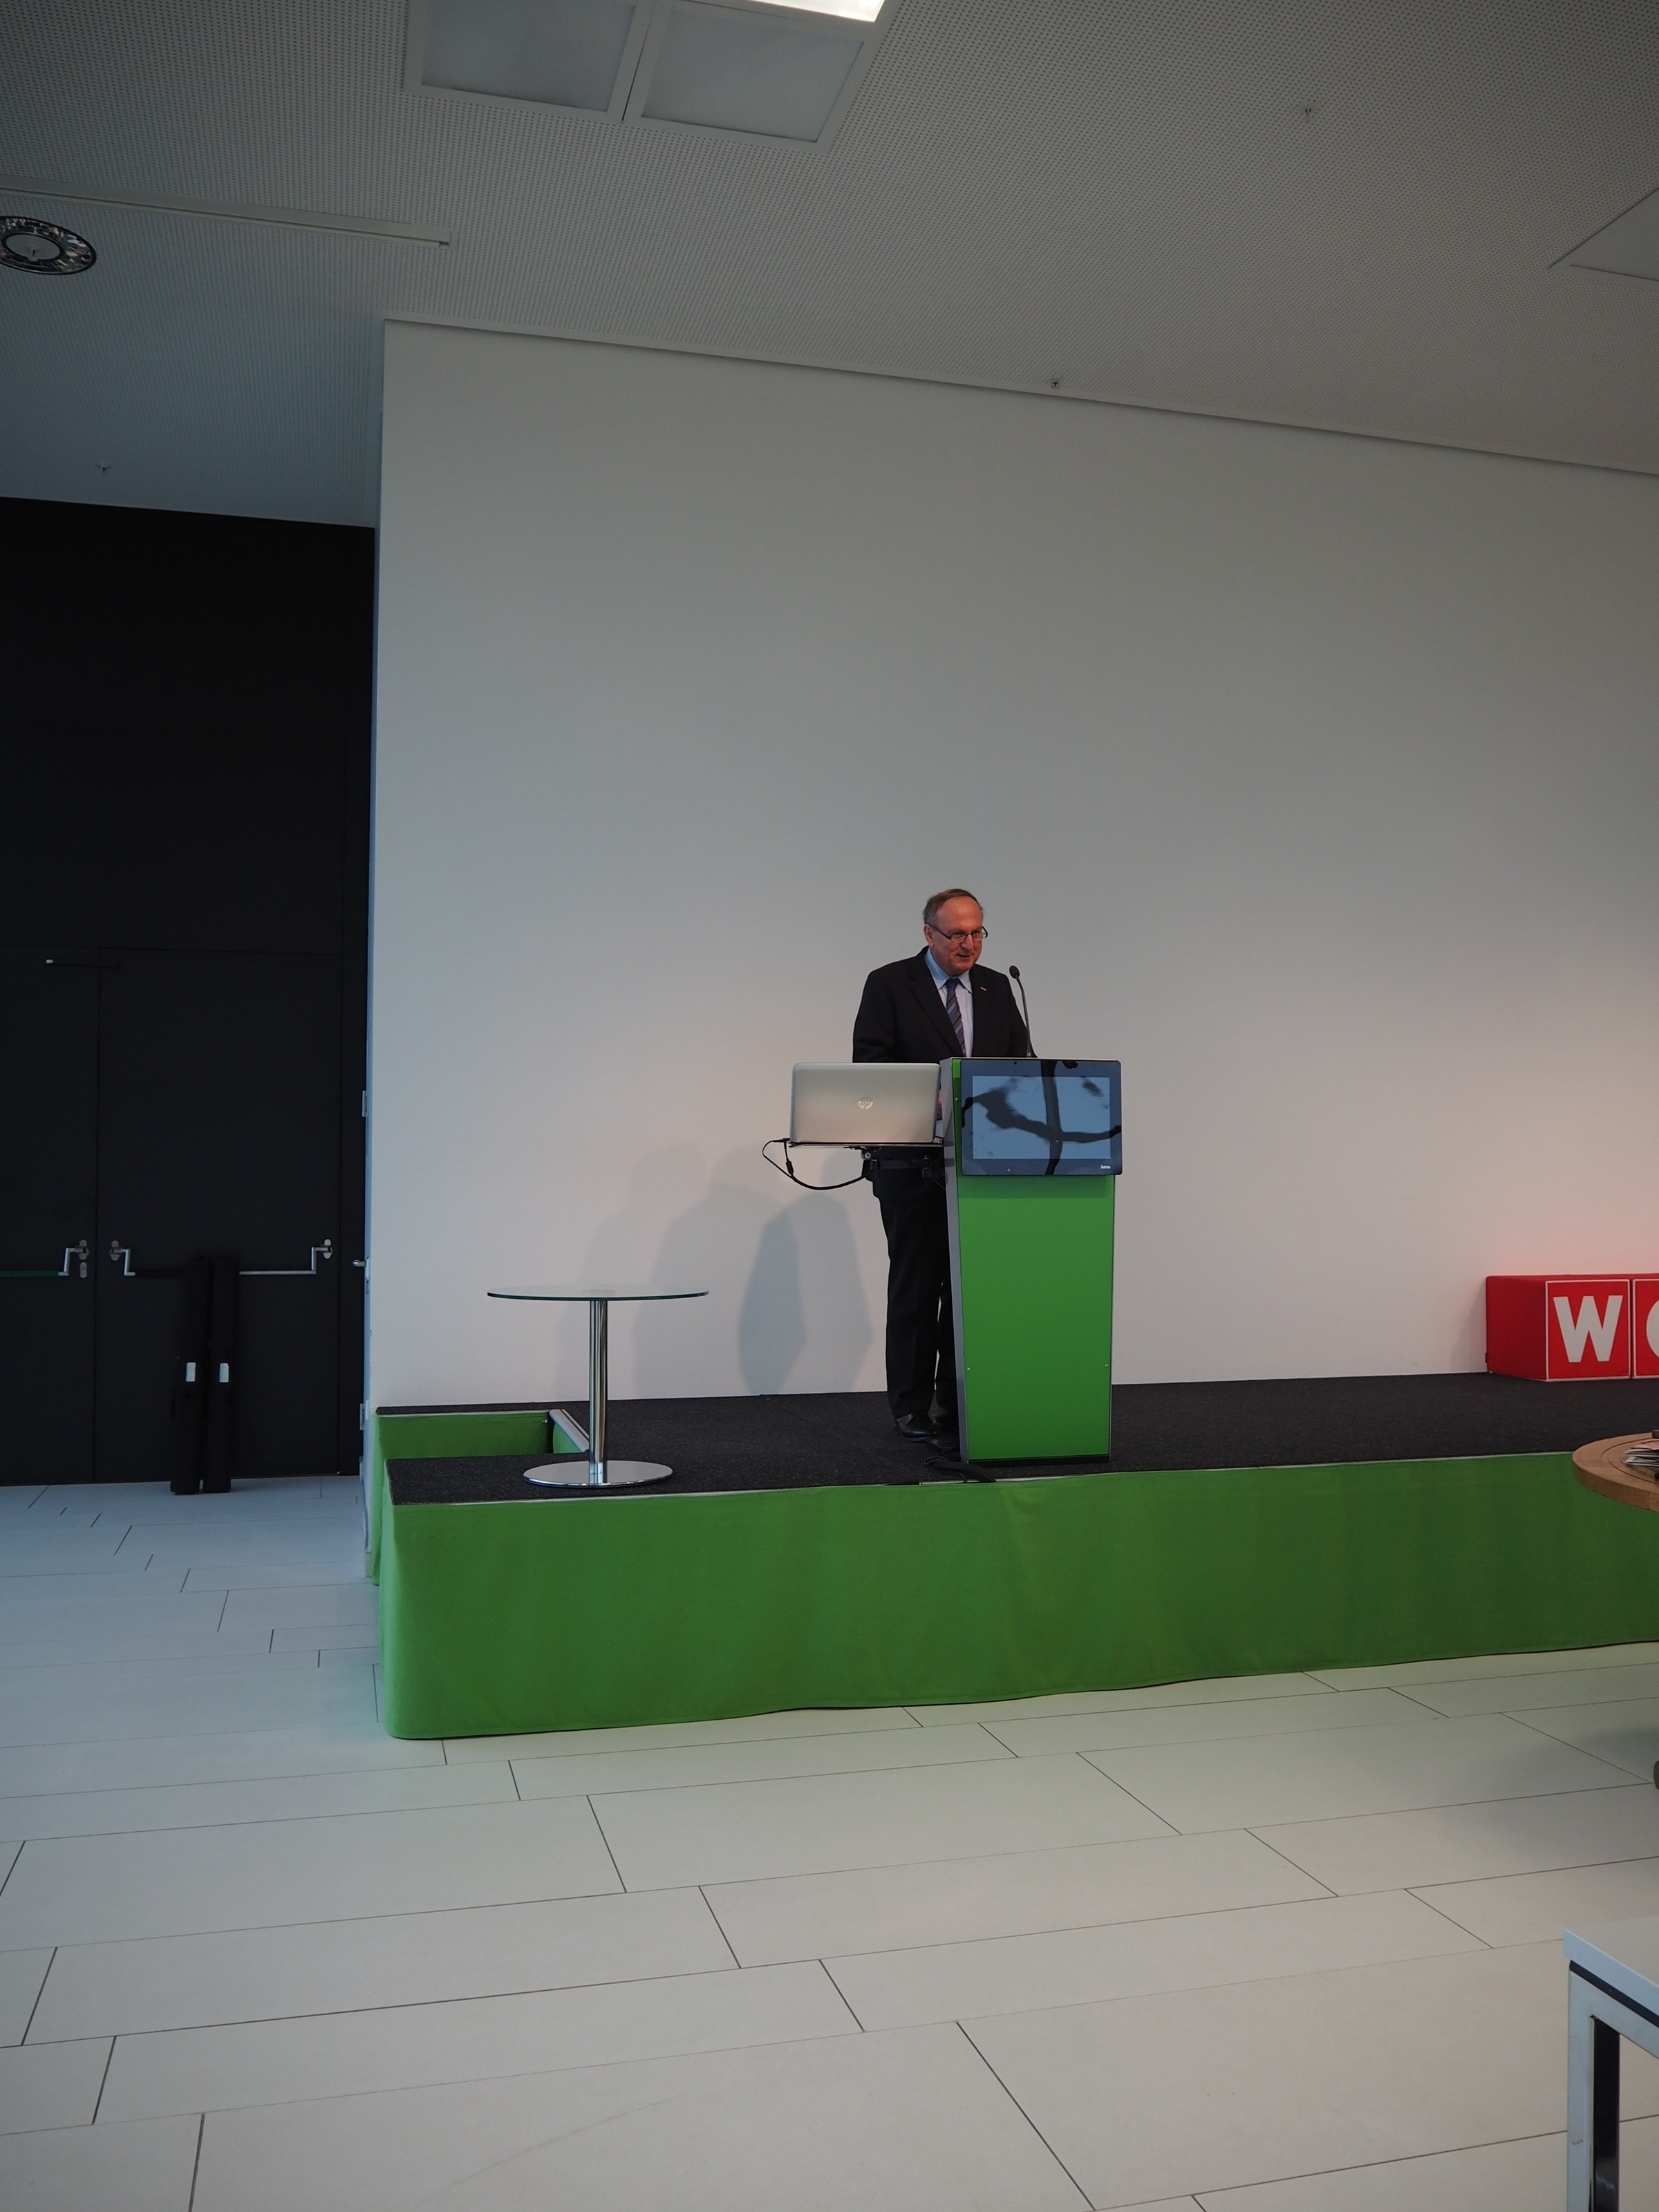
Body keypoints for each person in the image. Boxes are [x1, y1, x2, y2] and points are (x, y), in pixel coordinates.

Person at [852, 889, 1031, 1443]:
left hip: (981, 1165)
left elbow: (1021, 1065)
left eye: (977, 933)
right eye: (957, 934)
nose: (968, 945)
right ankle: (910, 1407)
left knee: (967, 1290)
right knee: (917, 1287)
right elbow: (871, 1068)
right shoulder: (889, 984)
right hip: (912, 1163)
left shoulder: (997, 987)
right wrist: (932, 1097)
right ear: (929, 933)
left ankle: (959, 1402)